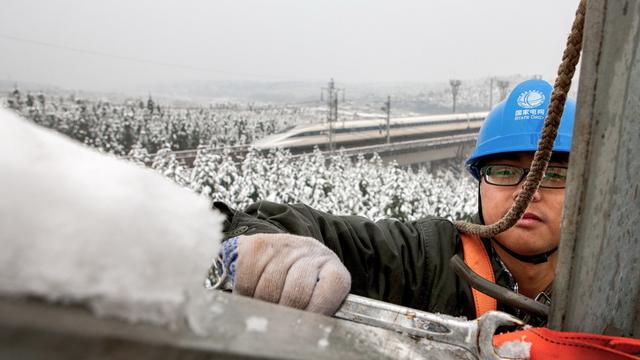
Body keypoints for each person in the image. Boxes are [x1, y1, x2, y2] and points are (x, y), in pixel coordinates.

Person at [213, 79, 575, 325]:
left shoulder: (615, 282)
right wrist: (271, 245)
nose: (529, 192)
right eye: (504, 171)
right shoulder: (428, 260)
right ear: (479, 182)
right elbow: (298, 226)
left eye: (554, 175)